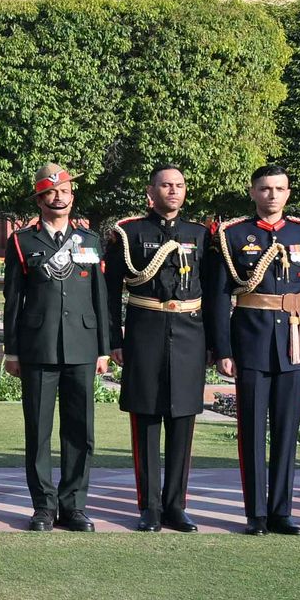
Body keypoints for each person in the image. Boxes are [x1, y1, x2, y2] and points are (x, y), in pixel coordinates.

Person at [206, 162, 300, 535]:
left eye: (279, 188)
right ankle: (255, 513)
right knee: (252, 430)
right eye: (265, 188)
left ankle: (281, 511)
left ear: (288, 193)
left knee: (287, 430)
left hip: (293, 342)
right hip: (251, 341)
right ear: (253, 192)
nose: (272, 195)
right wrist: (223, 349)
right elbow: (219, 297)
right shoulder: (233, 234)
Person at [107, 163, 211, 533]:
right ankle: (149, 507)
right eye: (165, 185)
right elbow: (109, 291)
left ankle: (176, 506)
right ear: (151, 192)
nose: (173, 191)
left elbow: (213, 293)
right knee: (146, 419)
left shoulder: (200, 234)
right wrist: (114, 340)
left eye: (179, 185)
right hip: (145, 333)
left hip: (189, 334)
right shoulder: (129, 233)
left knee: (183, 421)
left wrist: (215, 345)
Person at [4, 161, 108, 531]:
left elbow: (100, 298)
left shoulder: (89, 240)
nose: (58, 198)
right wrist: (12, 350)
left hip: (82, 344)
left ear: (72, 196)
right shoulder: (22, 241)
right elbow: (13, 300)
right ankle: (44, 507)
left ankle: (74, 505)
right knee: (38, 431)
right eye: (50, 193)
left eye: (63, 191)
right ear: (39, 200)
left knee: (80, 430)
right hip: (39, 346)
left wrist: (104, 348)